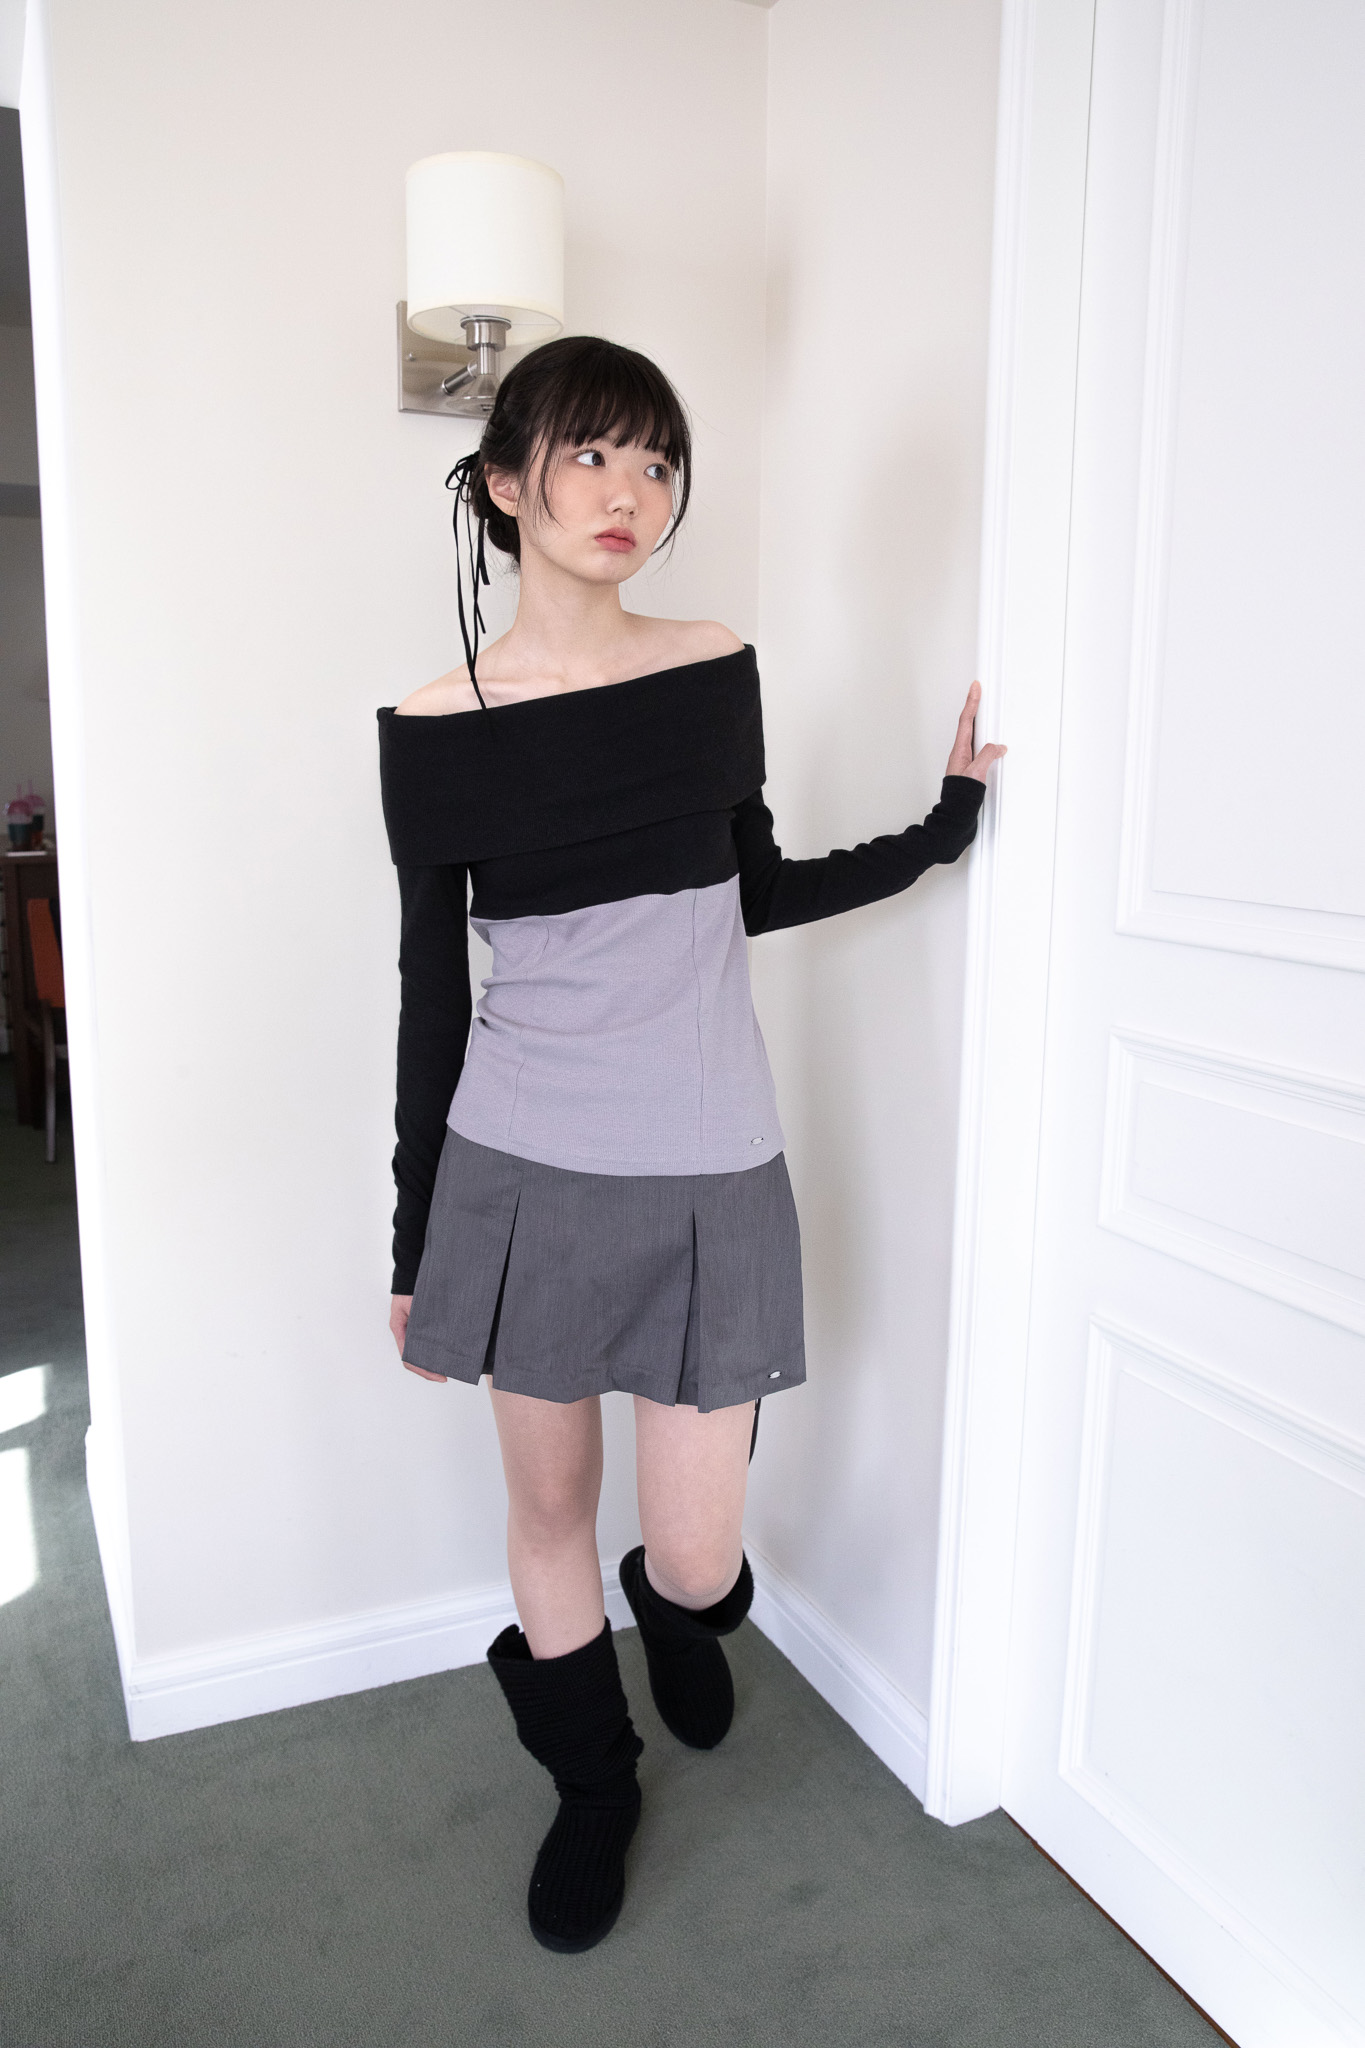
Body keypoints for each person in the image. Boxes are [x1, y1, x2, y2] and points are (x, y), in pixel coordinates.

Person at [377, 335, 1005, 1955]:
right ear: (504, 485)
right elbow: (432, 998)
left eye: (657, 462)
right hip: (518, 1168)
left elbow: (753, 889)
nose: (632, 492)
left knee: (701, 1550)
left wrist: (940, 832)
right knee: (547, 1512)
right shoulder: (433, 724)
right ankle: (594, 1785)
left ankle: (676, 1612)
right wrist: (415, 1241)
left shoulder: (711, 664)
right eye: (592, 455)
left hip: (710, 1161)